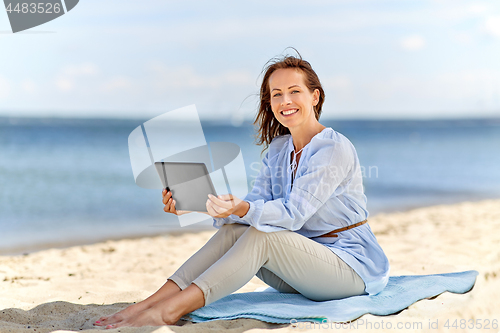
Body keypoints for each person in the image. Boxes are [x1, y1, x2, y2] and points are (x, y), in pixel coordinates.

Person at [94, 53, 390, 329]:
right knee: (236, 231)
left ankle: (170, 311)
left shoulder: (332, 148)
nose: (285, 100)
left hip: (351, 269)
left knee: (261, 235)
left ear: (315, 96)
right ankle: (146, 305)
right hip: (305, 267)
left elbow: (293, 214)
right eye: (276, 94)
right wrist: (198, 204)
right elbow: (254, 206)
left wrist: (242, 209)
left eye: (294, 91)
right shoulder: (279, 149)